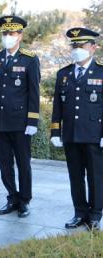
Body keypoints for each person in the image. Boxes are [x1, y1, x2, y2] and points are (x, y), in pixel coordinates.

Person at [0, 15, 40, 218]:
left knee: (23, 163)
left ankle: (24, 200)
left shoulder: (29, 59)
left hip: (20, 123)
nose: (8, 36)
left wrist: (32, 120)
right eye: (5, 33)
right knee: (5, 164)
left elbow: (34, 92)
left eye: (12, 33)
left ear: (20, 36)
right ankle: (12, 197)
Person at [51, 27, 103, 231]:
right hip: (71, 135)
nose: (76, 49)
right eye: (73, 46)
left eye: (81, 46)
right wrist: (56, 131)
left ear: (93, 48)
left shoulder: (101, 72)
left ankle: (96, 214)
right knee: (75, 177)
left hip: (93, 136)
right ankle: (79, 212)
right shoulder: (63, 74)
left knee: (96, 177)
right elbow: (58, 106)